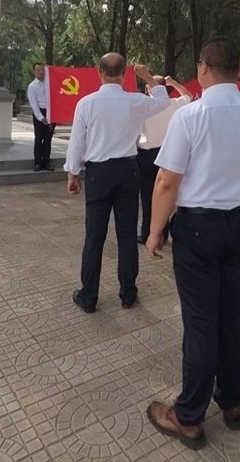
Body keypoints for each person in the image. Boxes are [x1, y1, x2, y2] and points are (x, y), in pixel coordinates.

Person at [143, 38, 240, 450]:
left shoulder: (190, 115)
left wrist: (155, 230)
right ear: (237, 70)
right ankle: (231, 400)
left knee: (201, 323)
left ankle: (188, 416)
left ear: (203, 68)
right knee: (231, 315)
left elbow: (167, 180)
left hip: (199, 228)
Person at [65, 54, 171, 313]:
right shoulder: (135, 101)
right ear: (124, 74)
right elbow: (163, 100)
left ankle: (89, 296)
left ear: (99, 71)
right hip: (127, 171)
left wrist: (73, 173)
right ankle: (128, 294)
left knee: (94, 237)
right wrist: (147, 76)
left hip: (98, 174)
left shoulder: (86, 103)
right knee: (126, 235)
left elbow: (77, 142)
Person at [136, 76, 193, 244]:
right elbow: (189, 96)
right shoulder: (174, 104)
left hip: (147, 154)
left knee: (148, 197)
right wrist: (174, 83)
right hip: (169, 153)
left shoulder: (144, 106)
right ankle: (164, 231)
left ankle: (148, 233)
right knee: (166, 194)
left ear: (148, 89)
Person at [27, 63, 55, 171]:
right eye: (38, 70)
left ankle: (46, 162)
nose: (41, 72)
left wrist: (52, 115)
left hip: (50, 113)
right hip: (39, 113)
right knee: (39, 138)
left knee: (48, 139)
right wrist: (41, 117)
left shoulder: (50, 83)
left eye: (42, 69)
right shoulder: (32, 86)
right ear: (34, 72)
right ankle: (37, 163)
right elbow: (33, 104)